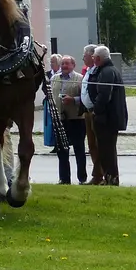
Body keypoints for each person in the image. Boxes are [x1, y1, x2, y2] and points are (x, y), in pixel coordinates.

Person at [88, 45, 126, 186]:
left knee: (106, 151)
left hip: (106, 118)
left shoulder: (107, 72)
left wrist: (96, 110)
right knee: (107, 149)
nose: (93, 59)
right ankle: (110, 177)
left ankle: (111, 178)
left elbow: (104, 95)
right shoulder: (109, 70)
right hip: (109, 117)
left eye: (94, 57)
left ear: (98, 58)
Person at [53, 56, 85, 185]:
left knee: (79, 149)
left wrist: (73, 100)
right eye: (62, 63)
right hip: (60, 119)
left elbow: (85, 98)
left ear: (73, 65)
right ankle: (64, 178)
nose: (64, 66)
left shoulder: (80, 79)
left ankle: (82, 178)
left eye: (67, 63)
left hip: (76, 119)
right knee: (61, 150)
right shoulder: (54, 78)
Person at [78, 45, 104, 184]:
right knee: (91, 144)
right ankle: (98, 174)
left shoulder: (99, 71)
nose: (83, 57)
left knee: (99, 144)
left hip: (95, 111)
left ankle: (99, 174)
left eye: (85, 54)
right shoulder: (88, 70)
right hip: (87, 112)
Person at [43, 53, 61, 154]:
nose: (51, 64)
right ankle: (53, 144)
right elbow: (43, 86)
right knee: (50, 124)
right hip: (49, 100)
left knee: (58, 122)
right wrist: (48, 94)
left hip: (59, 100)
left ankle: (60, 143)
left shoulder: (62, 73)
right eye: (51, 62)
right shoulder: (48, 74)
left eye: (53, 62)